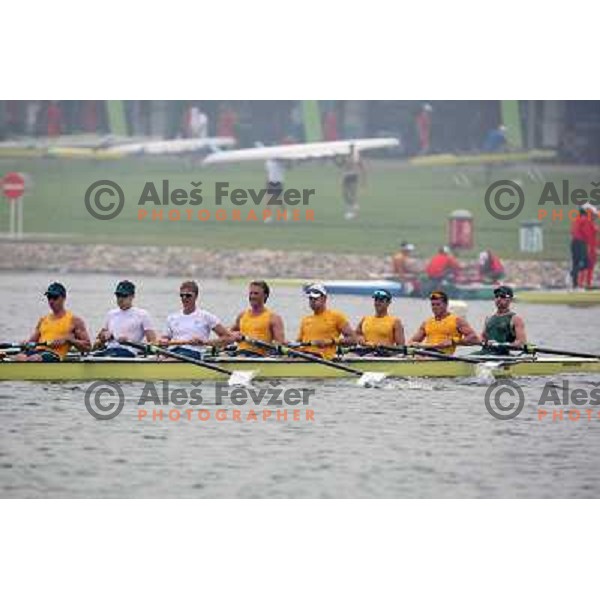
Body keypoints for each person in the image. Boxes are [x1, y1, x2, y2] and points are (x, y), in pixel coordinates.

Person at [14, 282, 91, 362]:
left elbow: (88, 347)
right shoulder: (43, 320)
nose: (51, 301)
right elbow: (31, 343)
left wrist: (69, 340)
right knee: (18, 357)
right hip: (37, 352)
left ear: (64, 298)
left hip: (54, 355)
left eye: (55, 297)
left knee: (35, 358)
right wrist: (25, 344)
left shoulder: (75, 321)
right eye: (49, 297)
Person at [160, 281, 233, 360]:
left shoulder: (206, 316)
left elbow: (229, 338)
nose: (184, 298)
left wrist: (205, 342)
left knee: (168, 360)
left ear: (196, 296)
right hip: (173, 351)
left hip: (194, 352)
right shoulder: (172, 317)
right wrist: (163, 341)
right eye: (182, 295)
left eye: (188, 295)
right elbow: (165, 338)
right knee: (158, 358)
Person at [94, 280, 157, 357]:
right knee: (95, 356)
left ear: (132, 296)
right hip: (109, 350)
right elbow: (98, 342)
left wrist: (129, 341)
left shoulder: (142, 314)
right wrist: (103, 337)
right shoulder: (111, 314)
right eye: (118, 295)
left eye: (124, 295)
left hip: (128, 352)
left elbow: (153, 343)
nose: (120, 299)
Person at [409, 290, 479, 355]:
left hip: (443, 355)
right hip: (427, 352)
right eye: (433, 305)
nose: (435, 307)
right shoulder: (427, 322)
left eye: (438, 304)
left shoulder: (457, 320)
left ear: (446, 305)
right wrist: (412, 345)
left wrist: (454, 341)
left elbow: (474, 339)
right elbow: (411, 342)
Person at [297, 284, 357, 359]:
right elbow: (298, 343)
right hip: (304, 355)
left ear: (324, 299)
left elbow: (353, 339)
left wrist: (330, 342)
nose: (312, 301)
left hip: (322, 358)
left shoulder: (336, 316)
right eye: (310, 298)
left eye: (315, 298)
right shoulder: (305, 320)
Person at [230, 280, 286, 356]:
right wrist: (234, 335)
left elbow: (280, 344)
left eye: (256, 293)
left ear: (265, 295)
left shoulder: (274, 318)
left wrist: (267, 345)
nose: (252, 296)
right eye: (251, 293)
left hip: (259, 356)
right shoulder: (242, 315)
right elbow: (228, 334)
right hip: (239, 353)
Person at [479, 285, 527, 355]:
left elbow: (521, 342)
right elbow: (482, 337)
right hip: (485, 353)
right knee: (463, 360)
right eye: (496, 296)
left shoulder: (515, 319)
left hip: (502, 355)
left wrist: (501, 345)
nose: (498, 299)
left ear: (510, 299)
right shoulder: (489, 318)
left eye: (502, 296)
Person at [341, 145, 365, 219]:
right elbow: (342, 165)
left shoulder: (356, 156)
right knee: (345, 194)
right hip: (346, 176)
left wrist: (364, 179)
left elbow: (361, 166)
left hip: (353, 176)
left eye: (352, 147)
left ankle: (352, 212)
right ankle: (352, 209)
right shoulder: (345, 155)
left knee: (352, 194)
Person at [579, 204, 598, 288]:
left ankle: (586, 283)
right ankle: (582, 284)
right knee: (585, 267)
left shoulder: (588, 222)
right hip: (588, 247)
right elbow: (588, 236)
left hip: (590, 248)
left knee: (589, 267)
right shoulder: (586, 222)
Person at [570, 208, 590, 289]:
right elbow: (587, 232)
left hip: (574, 243)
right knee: (585, 263)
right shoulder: (584, 220)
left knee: (575, 262)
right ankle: (573, 272)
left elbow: (572, 231)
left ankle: (574, 284)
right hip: (581, 243)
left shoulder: (576, 220)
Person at [263, 157, 285, 223]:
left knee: (279, 200)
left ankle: (283, 214)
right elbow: (267, 173)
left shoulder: (280, 163)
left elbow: (287, 167)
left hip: (278, 182)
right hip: (270, 182)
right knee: (268, 200)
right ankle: (268, 217)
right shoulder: (268, 162)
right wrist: (266, 181)